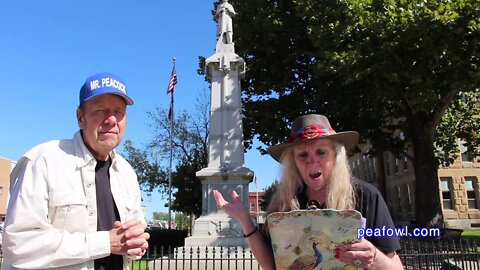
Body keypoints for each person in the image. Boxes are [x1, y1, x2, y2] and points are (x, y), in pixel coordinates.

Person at [214, 114, 404, 269]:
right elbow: (273, 266)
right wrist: (245, 220)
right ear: (293, 162)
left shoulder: (366, 195)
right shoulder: (284, 202)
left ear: (336, 156)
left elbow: (396, 266)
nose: (312, 162)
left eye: (321, 152)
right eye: (303, 155)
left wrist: (375, 258)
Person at [2, 72, 149, 270]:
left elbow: (132, 239)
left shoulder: (127, 173)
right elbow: (18, 245)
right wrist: (105, 243)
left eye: (119, 111)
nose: (112, 119)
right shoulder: (44, 160)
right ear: (81, 117)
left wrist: (136, 245)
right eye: (101, 110)